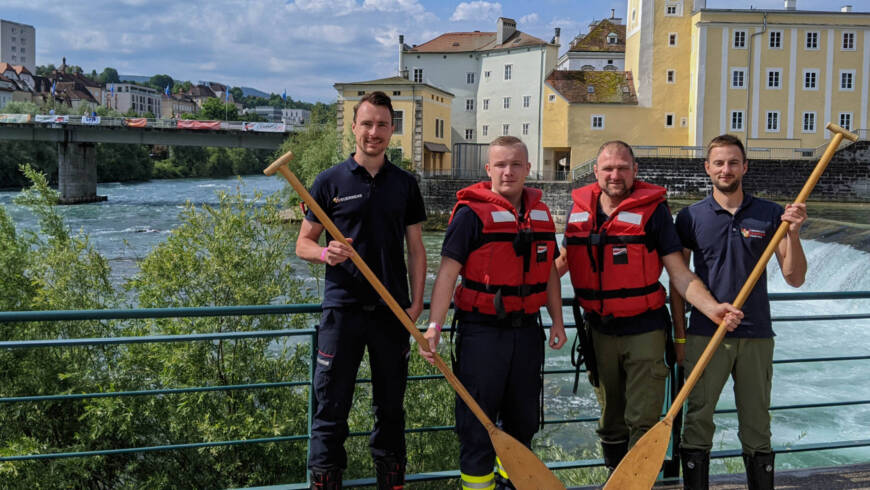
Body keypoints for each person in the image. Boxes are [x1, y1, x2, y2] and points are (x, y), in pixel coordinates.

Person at [555, 140, 742, 475]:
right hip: (598, 330)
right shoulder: (580, 209)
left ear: (635, 171)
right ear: (596, 171)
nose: (615, 175)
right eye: (608, 168)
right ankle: (617, 479)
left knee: (642, 420)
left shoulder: (654, 211)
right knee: (610, 420)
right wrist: (518, 293)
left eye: (623, 168)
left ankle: (641, 482)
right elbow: (564, 262)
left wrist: (712, 308)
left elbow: (680, 274)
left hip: (645, 330)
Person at [295, 91, 427, 490]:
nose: (374, 132)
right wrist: (324, 253)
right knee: (330, 410)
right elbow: (302, 243)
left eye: (382, 125)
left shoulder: (405, 184)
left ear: (392, 130)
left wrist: (416, 304)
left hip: (391, 314)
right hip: (342, 312)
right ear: (354, 127)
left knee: (390, 410)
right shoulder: (329, 181)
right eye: (366, 124)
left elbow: (417, 250)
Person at [420, 136, 567, 490]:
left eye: (516, 164)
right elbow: (447, 273)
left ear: (528, 169)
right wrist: (434, 326)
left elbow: (547, 272)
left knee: (522, 425)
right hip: (481, 334)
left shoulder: (541, 216)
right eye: (500, 164)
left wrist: (558, 321)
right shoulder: (471, 215)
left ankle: (511, 485)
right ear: (488, 169)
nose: (508, 171)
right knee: (477, 429)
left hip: (526, 333)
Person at [671, 134, 807, 490]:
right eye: (718, 162)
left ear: (745, 167)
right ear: (707, 168)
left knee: (757, 425)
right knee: (697, 420)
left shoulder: (770, 213)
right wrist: (680, 337)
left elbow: (795, 277)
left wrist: (793, 233)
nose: (726, 169)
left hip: (756, 335)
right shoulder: (690, 217)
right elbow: (679, 281)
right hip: (705, 333)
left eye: (733, 162)